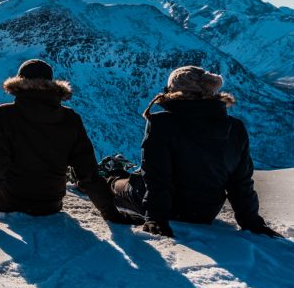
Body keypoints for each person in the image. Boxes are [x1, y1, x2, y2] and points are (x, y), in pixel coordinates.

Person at [0, 59, 138, 224]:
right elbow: (88, 174)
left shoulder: (5, 115)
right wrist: (111, 213)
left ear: (18, 84)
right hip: (50, 204)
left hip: (7, 200)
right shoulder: (70, 118)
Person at [108, 66, 281, 238]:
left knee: (116, 185)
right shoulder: (235, 127)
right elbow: (240, 183)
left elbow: (157, 177)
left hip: (169, 208)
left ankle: (108, 178)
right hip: (205, 212)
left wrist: (156, 218)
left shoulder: (162, 122)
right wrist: (252, 222)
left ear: (175, 91)